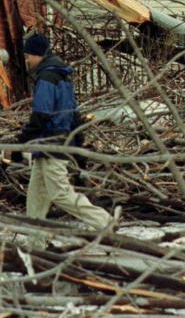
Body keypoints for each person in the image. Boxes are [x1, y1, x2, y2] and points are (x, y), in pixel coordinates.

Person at [12, 33, 112, 229]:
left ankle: (105, 222)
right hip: (49, 146)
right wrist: (78, 143)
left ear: (38, 55)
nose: (26, 60)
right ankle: (36, 246)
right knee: (36, 199)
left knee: (60, 193)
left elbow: (40, 115)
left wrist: (19, 143)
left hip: (51, 145)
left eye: (28, 55)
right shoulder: (62, 78)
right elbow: (73, 114)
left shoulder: (47, 78)